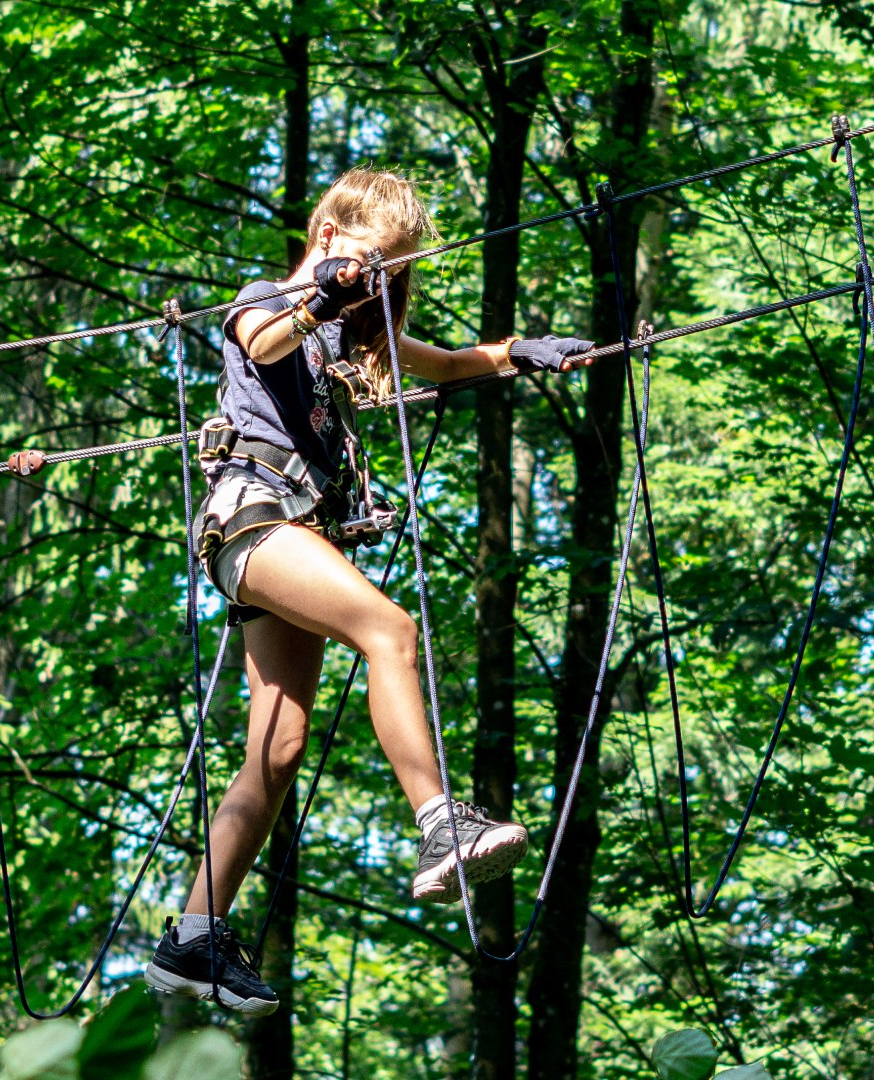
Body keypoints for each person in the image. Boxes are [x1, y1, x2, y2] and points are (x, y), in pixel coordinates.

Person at [142, 167, 592, 1015]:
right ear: (328, 235)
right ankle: (439, 823)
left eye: (394, 268)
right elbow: (261, 340)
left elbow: (450, 363)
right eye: (373, 261)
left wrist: (521, 353)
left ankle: (194, 937)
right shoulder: (268, 300)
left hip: (296, 536)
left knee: (274, 756)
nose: (380, 281)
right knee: (389, 630)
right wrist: (319, 294)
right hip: (252, 521)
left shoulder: (346, 338)